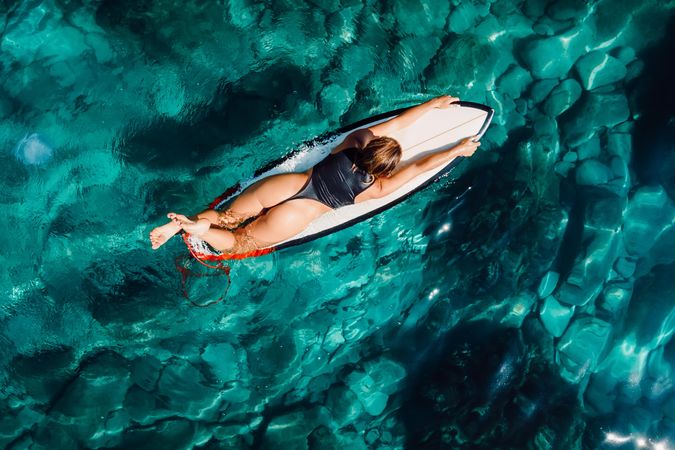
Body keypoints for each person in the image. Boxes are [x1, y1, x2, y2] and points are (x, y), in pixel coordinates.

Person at [149, 95, 481, 254]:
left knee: (227, 215)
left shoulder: (357, 141)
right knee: (238, 243)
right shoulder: (376, 189)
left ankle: (196, 222)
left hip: (289, 184)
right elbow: (420, 167)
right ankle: (200, 232)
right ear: (382, 170)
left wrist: (432, 104)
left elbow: (397, 124)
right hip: (301, 213)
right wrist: (456, 150)